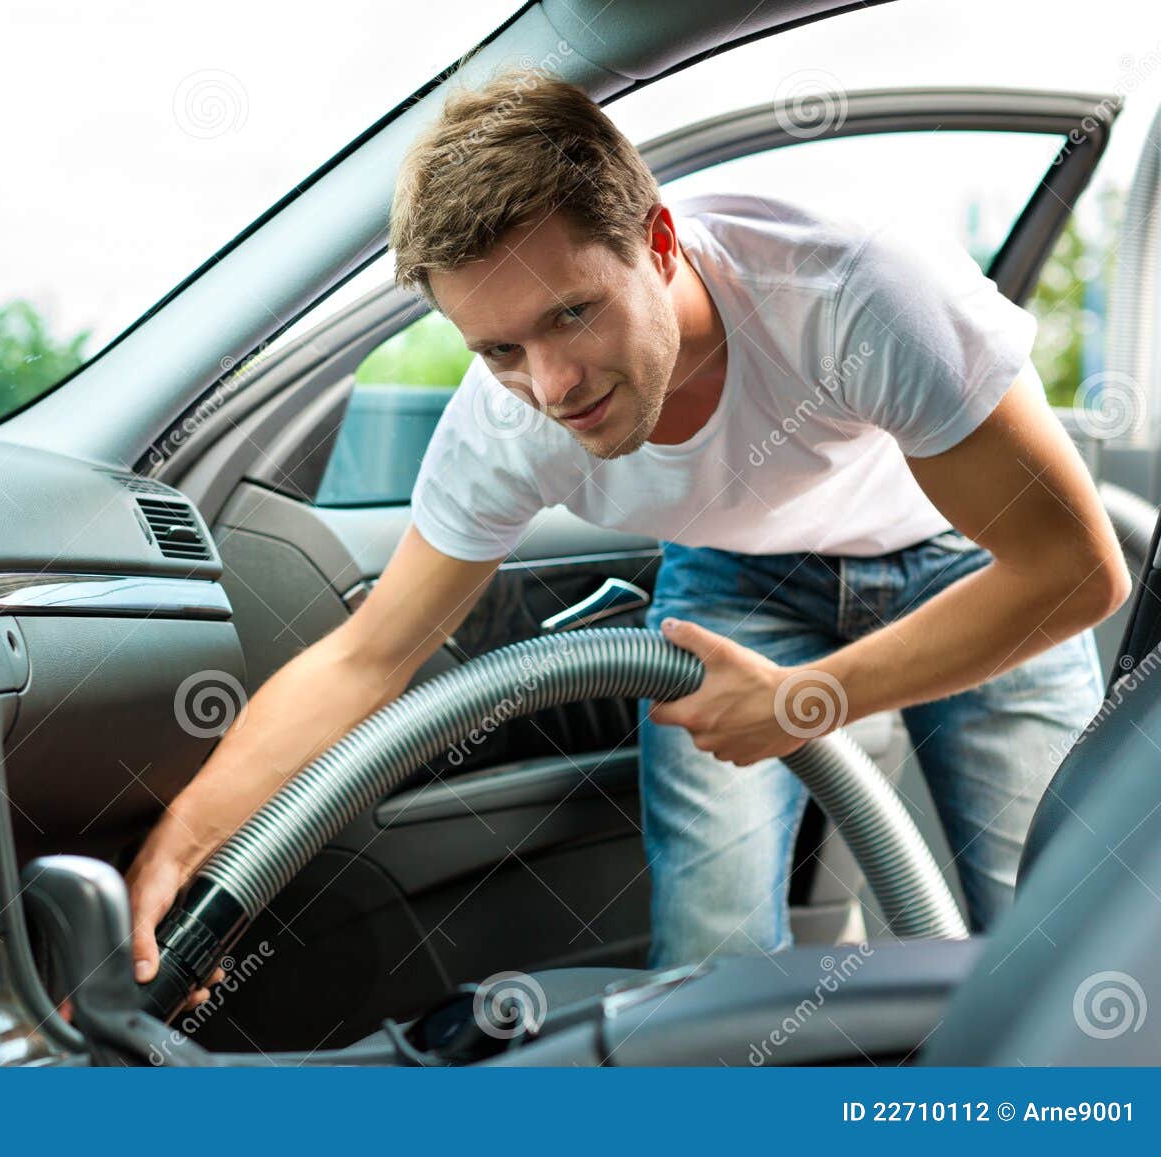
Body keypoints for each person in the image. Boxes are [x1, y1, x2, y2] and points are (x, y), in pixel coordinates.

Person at [127, 69, 1126, 1005]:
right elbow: (366, 654)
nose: (551, 386)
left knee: (1058, 945)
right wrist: (191, 841)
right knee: (707, 954)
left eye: (572, 313)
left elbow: (1075, 569)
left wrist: (803, 702)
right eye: (500, 348)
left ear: (656, 240)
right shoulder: (504, 423)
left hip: (968, 560)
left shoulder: (853, 288)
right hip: (740, 582)